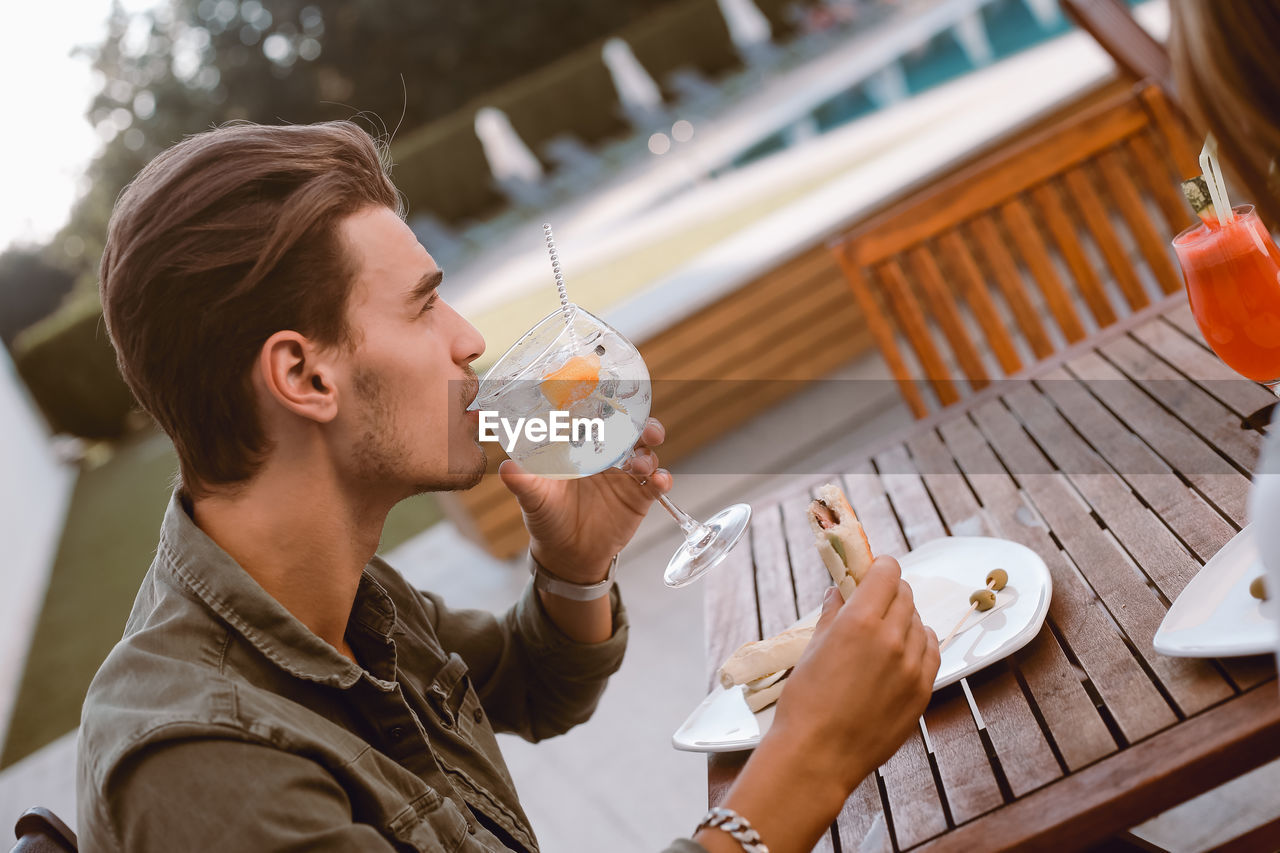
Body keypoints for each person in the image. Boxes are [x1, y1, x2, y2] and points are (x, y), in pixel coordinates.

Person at [78, 121, 939, 853]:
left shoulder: (338, 586)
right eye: (423, 307)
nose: (468, 337)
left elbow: (531, 687)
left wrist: (574, 566)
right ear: (304, 376)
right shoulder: (206, 764)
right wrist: (811, 756)